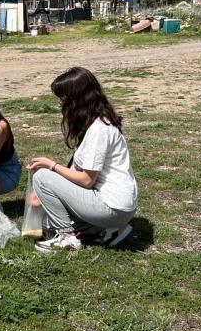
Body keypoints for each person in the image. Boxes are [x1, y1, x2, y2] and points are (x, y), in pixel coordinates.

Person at [26, 67, 137, 253]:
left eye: (63, 99)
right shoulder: (96, 122)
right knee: (46, 218)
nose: (61, 105)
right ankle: (105, 230)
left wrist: (51, 166)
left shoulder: (99, 129)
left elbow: (86, 180)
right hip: (117, 205)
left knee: (42, 177)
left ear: (77, 100)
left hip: (112, 207)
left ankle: (68, 237)